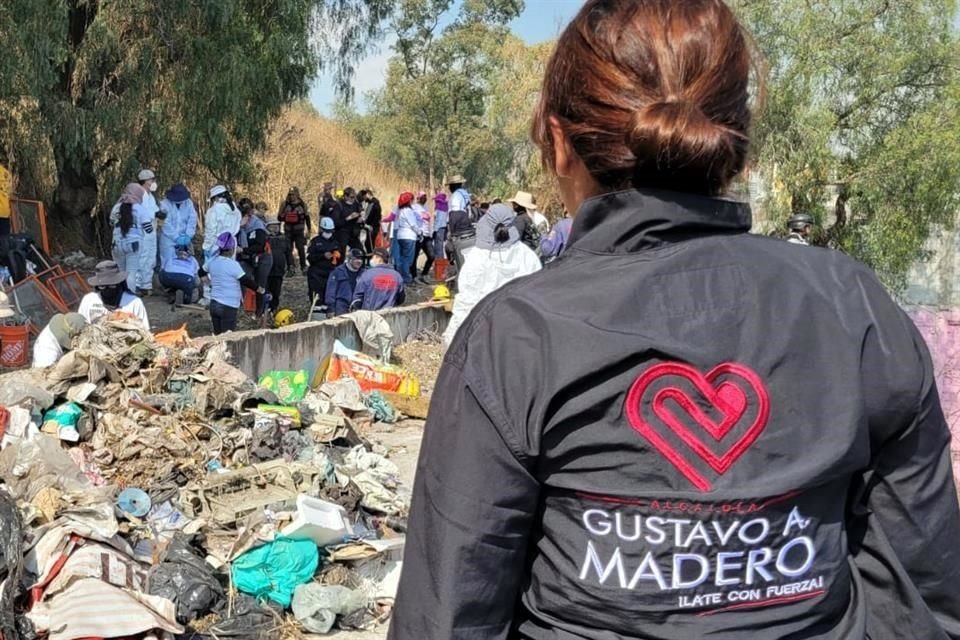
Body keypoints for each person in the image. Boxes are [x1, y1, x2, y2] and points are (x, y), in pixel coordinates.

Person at [390, 1, 960, 639]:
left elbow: (448, 617)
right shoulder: (853, 307)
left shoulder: (517, 336)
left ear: (557, 142)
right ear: (733, 146)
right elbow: (923, 595)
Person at [441, 203, 541, 345]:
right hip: (519, 333)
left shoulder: (477, 258)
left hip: (484, 335)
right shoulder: (528, 256)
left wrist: (452, 338)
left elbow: (466, 302)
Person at [202, 232, 264, 335]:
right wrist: (260, 289)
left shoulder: (212, 261)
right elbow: (246, 281)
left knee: (217, 335)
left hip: (214, 303)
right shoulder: (233, 265)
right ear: (232, 249)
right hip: (228, 305)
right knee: (227, 337)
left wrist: (208, 283)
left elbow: (201, 272)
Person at [78, 261, 150, 331]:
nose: (107, 289)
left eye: (112, 285)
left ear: (119, 283)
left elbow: (145, 331)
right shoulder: (88, 300)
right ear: (97, 286)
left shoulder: (133, 302)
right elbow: (81, 326)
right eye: (102, 286)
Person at [110, 183, 146, 293]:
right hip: (133, 244)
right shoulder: (140, 209)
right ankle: (129, 299)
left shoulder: (116, 207)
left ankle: (119, 297)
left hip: (116, 244)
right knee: (131, 274)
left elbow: (111, 222)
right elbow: (148, 228)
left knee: (120, 273)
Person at [238, 205, 273, 317]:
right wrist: (239, 226)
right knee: (242, 280)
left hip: (262, 257)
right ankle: (241, 310)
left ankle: (260, 312)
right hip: (246, 258)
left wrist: (243, 249)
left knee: (260, 284)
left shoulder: (258, 227)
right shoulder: (237, 227)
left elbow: (260, 245)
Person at [158, 184, 197, 267]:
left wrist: (188, 235)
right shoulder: (164, 204)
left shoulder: (188, 203)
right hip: (168, 239)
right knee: (167, 263)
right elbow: (165, 223)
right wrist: (176, 237)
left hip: (185, 237)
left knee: (184, 264)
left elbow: (192, 219)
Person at [306, 217, 342, 307]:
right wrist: (322, 256)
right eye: (326, 231)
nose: (328, 233)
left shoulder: (335, 242)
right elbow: (310, 258)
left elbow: (340, 257)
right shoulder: (315, 241)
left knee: (329, 295)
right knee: (317, 297)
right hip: (316, 273)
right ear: (321, 229)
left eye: (330, 231)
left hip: (330, 272)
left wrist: (338, 255)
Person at [159, 234, 200, 307]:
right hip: (186, 280)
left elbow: (162, 268)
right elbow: (196, 275)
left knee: (162, 273)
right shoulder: (193, 260)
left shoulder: (170, 255)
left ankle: (170, 291)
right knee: (196, 280)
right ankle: (188, 299)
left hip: (168, 278)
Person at [278, 187, 311, 275]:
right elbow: (279, 218)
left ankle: (303, 267)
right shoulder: (284, 204)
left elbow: (307, 218)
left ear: (297, 194)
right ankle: (290, 267)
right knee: (288, 249)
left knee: (300, 249)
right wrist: (285, 215)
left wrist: (309, 230)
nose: (292, 196)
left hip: (299, 230)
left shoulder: (302, 204)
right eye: (290, 194)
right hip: (288, 230)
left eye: (293, 194)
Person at [202, 185, 242, 259]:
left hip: (216, 245)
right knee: (228, 268)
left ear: (215, 198)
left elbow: (210, 231)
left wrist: (207, 247)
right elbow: (238, 226)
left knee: (215, 268)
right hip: (231, 245)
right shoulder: (235, 210)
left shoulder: (213, 211)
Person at [324, 248, 365, 317]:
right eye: (356, 259)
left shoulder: (364, 273)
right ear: (349, 259)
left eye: (361, 259)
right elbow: (330, 291)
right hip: (341, 306)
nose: (359, 261)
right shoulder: (338, 272)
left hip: (358, 306)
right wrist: (331, 308)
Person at [393, 192, 422, 285]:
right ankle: (406, 279)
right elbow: (413, 224)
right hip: (409, 236)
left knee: (402, 258)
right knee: (408, 259)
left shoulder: (400, 211)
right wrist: (419, 233)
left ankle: (400, 277)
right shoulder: (408, 211)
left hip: (401, 235)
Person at [410, 192, 435, 283]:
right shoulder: (414, 208)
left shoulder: (427, 208)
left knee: (431, 256)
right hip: (419, 235)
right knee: (415, 257)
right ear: (418, 198)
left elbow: (430, 222)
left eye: (425, 196)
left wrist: (431, 233)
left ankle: (424, 274)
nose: (424, 198)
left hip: (427, 236)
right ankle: (414, 276)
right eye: (422, 197)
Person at [265, 220, 288, 314]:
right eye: (272, 226)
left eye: (277, 226)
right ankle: (264, 310)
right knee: (266, 290)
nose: (275, 228)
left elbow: (288, 252)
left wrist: (291, 265)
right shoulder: (264, 238)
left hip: (279, 269)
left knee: (276, 291)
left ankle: (274, 309)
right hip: (266, 269)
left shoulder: (284, 238)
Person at [339, 187, 363, 251]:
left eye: (354, 197)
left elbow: (360, 214)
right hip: (342, 232)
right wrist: (349, 218)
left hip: (353, 233)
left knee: (360, 250)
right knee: (342, 251)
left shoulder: (356, 204)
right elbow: (337, 222)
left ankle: (357, 259)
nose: (353, 199)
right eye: (351, 197)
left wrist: (359, 219)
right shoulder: (339, 205)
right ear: (346, 196)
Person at [432, 193, 449, 260]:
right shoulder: (446, 207)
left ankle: (439, 262)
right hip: (444, 228)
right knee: (441, 245)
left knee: (438, 246)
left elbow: (437, 220)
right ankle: (440, 262)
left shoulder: (438, 207)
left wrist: (434, 230)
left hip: (438, 229)